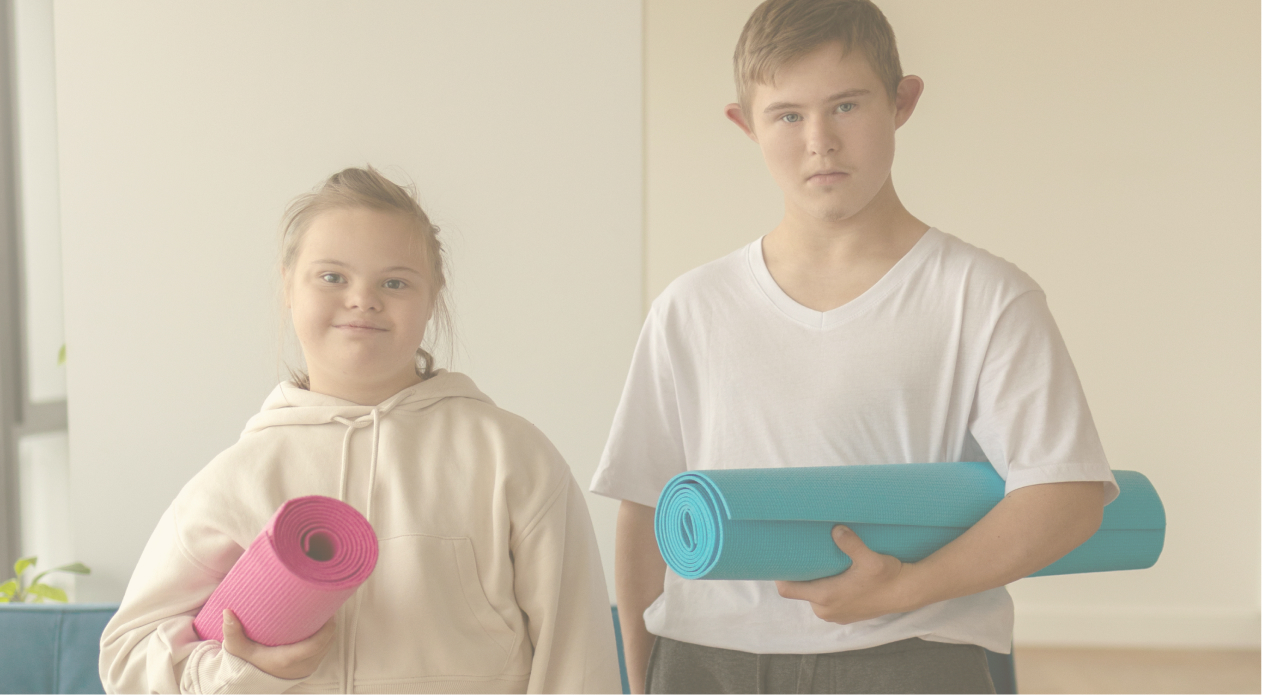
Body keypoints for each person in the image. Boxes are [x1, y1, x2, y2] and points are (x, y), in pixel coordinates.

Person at [590, 1, 1119, 692]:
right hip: (703, 658)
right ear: (744, 122)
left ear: (903, 101)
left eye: (846, 105)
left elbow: (1067, 494)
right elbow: (645, 503)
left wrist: (908, 586)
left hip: (911, 649)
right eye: (787, 114)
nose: (820, 141)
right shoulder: (691, 307)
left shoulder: (985, 296)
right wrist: (640, 675)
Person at [99, 166, 621, 694]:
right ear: (287, 285)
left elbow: (578, 659)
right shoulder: (237, 478)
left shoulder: (512, 457)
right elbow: (126, 661)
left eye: (394, 282)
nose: (362, 299)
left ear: (434, 296)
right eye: (332, 277)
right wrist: (243, 669)